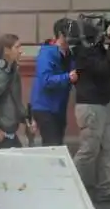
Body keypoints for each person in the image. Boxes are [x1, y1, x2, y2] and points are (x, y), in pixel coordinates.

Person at [71, 21, 110, 203]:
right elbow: (103, 69)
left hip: (100, 106)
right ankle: (67, 186)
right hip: (91, 107)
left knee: (105, 149)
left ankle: (104, 189)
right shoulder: (84, 52)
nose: (103, 35)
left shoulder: (96, 50)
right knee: (89, 150)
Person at [29, 18, 79, 146]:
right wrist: (67, 77)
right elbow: (46, 80)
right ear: (61, 35)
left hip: (58, 107)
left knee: (56, 144)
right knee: (52, 145)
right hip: (45, 107)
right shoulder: (47, 53)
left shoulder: (68, 54)